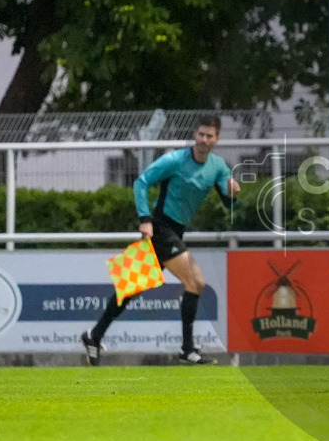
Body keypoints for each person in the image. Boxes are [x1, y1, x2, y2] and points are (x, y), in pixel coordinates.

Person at [81, 115, 240, 366]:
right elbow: (141, 182)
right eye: (201, 134)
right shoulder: (175, 160)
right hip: (161, 228)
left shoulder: (219, 167)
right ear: (194, 134)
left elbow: (229, 203)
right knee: (195, 281)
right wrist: (145, 219)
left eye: (209, 136)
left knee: (132, 287)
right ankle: (187, 350)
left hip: (176, 232)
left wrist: (233, 194)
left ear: (216, 139)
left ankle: (94, 335)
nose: (204, 139)